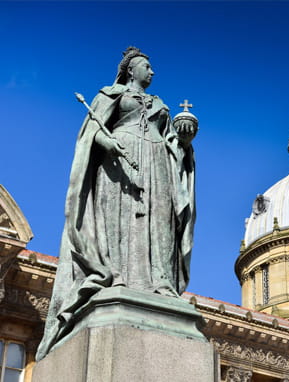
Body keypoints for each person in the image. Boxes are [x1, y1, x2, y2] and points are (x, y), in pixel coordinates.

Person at [37, 47, 196, 360]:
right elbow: (92, 131)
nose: (152, 72)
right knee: (120, 219)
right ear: (131, 70)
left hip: (156, 163)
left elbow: (172, 142)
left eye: (152, 68)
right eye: (147, 67)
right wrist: (106, 142)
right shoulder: (110, 94)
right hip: (118, 164)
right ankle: (116, 274)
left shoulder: (160, 104)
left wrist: (185, 140)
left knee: (159, 219)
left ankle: (159, 281)